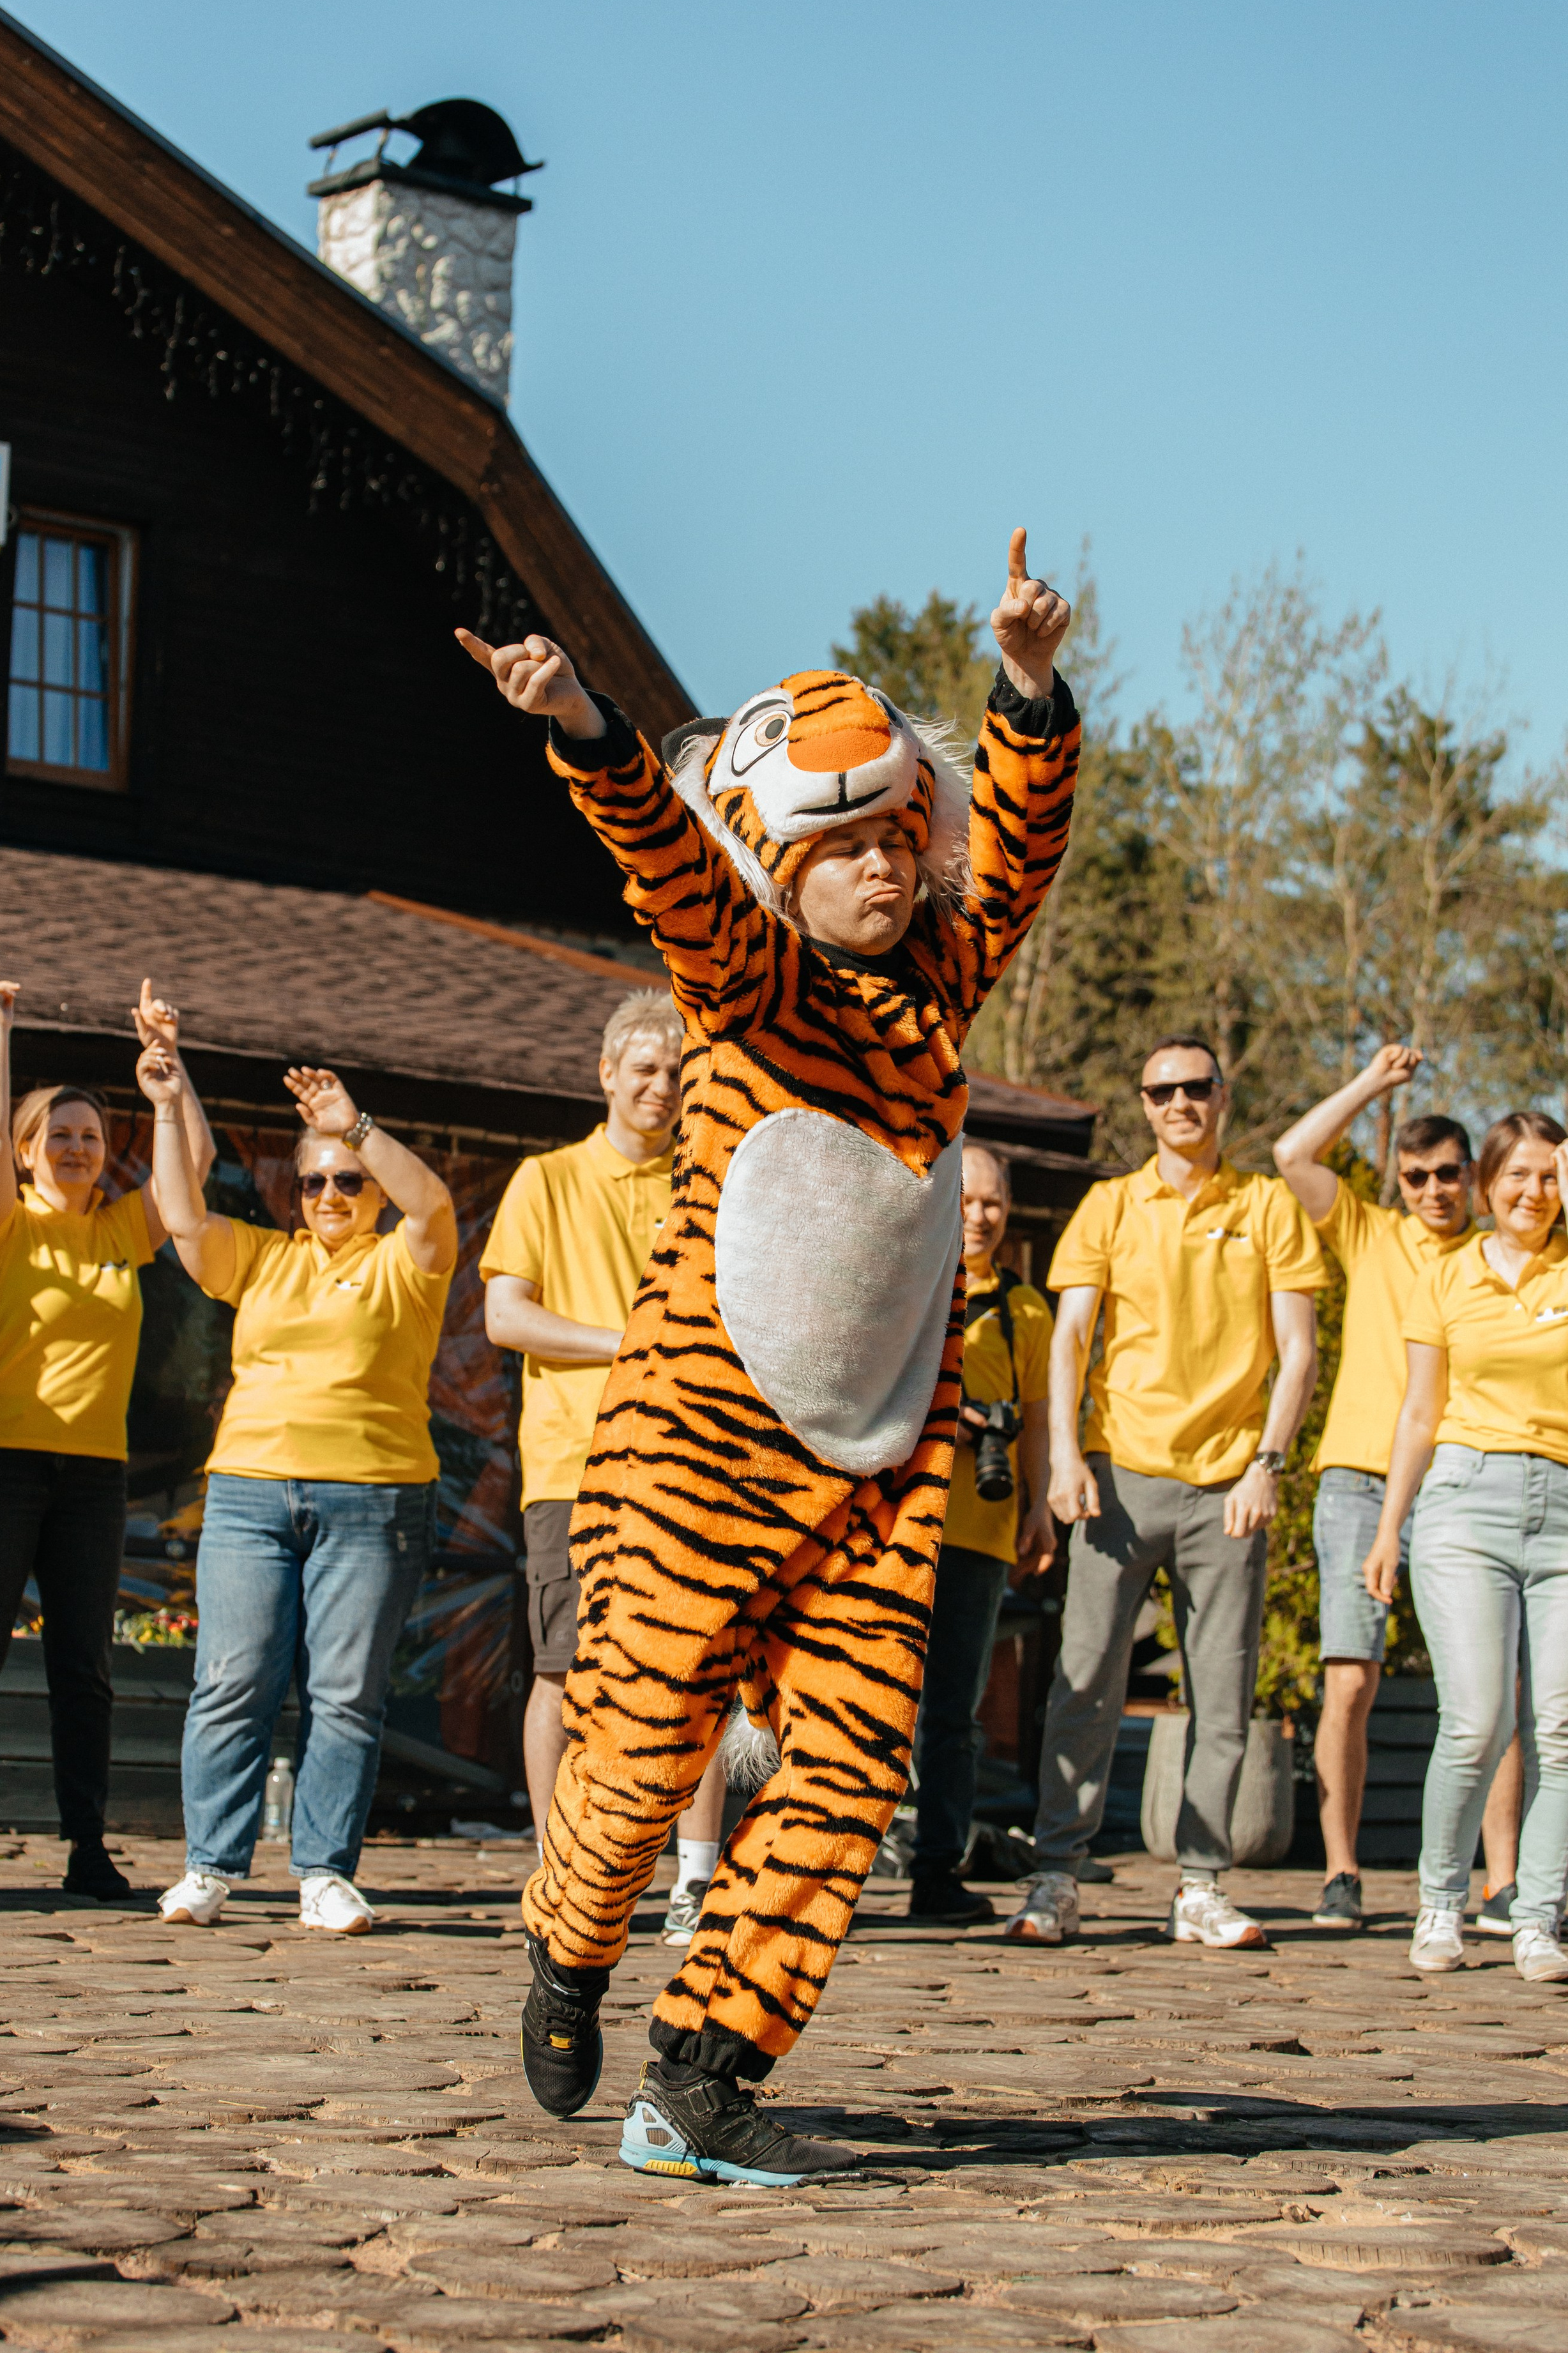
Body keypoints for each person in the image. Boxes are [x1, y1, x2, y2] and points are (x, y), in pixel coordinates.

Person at [457, 522, 1077, 2186]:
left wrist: (1025, 690)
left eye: (901, 837)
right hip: (696, 1450)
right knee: (645, 1750)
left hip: (879, 1459)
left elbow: (1016, 856)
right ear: (781, 864)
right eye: (845, 843)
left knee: (855, 1761)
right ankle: (569, 1941)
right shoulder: (746, 986)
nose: (885, 866)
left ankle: (705, 2071)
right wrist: (587, 732)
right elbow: (665, 864)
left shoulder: (940, 989)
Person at [1011, 1037, 1325, 1951]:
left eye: (1196, 1087)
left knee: (1221, 1692)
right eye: (1162, 1091)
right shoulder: (1110, 1205)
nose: (1180, 1102)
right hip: (1118, 1477)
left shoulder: (1267, 1206)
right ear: (1144, 1106)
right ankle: (1056, 1878)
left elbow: (1299, 1348)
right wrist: (1065, 1457)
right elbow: (1070, 1340)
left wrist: (1269, 1461)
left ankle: (1200, 1885)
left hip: (1230, 1482)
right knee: (1084, 1681)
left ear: (1223, 1097)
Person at [140, 1049, 457, 1935]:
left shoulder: (406, 1260)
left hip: (377, 1498)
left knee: (347, 1693)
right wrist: (167, 1103)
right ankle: (209, 1865)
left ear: (373, 1188)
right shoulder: (264, 1259)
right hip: (249, 1494)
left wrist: (355, 1125)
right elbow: (179, 1216)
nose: (329, 1196)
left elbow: (433, 1200)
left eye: (348, 1181)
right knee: (232, 1680)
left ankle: (323, 1872)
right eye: (314, 1182)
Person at [0, 971, 215, 1903]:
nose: (77, 1148)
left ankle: (87, 1849)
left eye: (92, 1136)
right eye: (58, 1134)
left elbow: (196, 1172)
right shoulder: (0, 1229)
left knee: (83, 1669)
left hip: (94, 1477)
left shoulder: (121, 1234)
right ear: (24, 1152)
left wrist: (168, 1078)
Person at [482, 987, 730, 1946]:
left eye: (676, 1074)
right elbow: (506, 1317)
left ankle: (694, 1880)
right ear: (605, 1075)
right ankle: (560, 1867)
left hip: (694, 1461)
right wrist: (625, 1341)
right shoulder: (546, 1180)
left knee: (696, 1669)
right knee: (566, 1670)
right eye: (645, 1072)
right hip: (573, 1467)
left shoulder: (705, 1183)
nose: (661, 1089)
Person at [1273, 1044, 1488, 1933]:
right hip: (1359, 1479)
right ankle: (1342, 1871)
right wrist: (1373, 1085)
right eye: (1417, 1176)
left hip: (1465, 1479)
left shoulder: (1504, 1253)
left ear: (1472, 1177)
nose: (1432, 1191)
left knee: (1489, 1692)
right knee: (1351, 1683)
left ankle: (1501, 1880)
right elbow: (1293, 1156)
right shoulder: (1371, 1232)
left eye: (1447, 1175)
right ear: (1398, 1179)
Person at [1364, 1115, 1568, 1984]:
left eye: (1551, 1178)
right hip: (1463, 1504)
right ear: (1486, 1185)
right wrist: (1389, 1526)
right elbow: (1418, 1410)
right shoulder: (1446, 1275)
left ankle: (1536, 1918)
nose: (1534, 1193)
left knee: (1559, 1729)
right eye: (1517, 1176)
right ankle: (1440, 1900)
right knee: (1478, 1719)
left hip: (1563, 1505)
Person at [908, 1141, 1051, 1924]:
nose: (980, 1216)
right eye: (965, 1200)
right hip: (897, 1523)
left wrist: (1038, 1506)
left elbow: (1036, 1421)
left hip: (982, 1530)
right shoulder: (913, 1278)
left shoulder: (1028, 1309)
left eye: (992, 1202)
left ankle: (937, 1872)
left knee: (955, 1714)